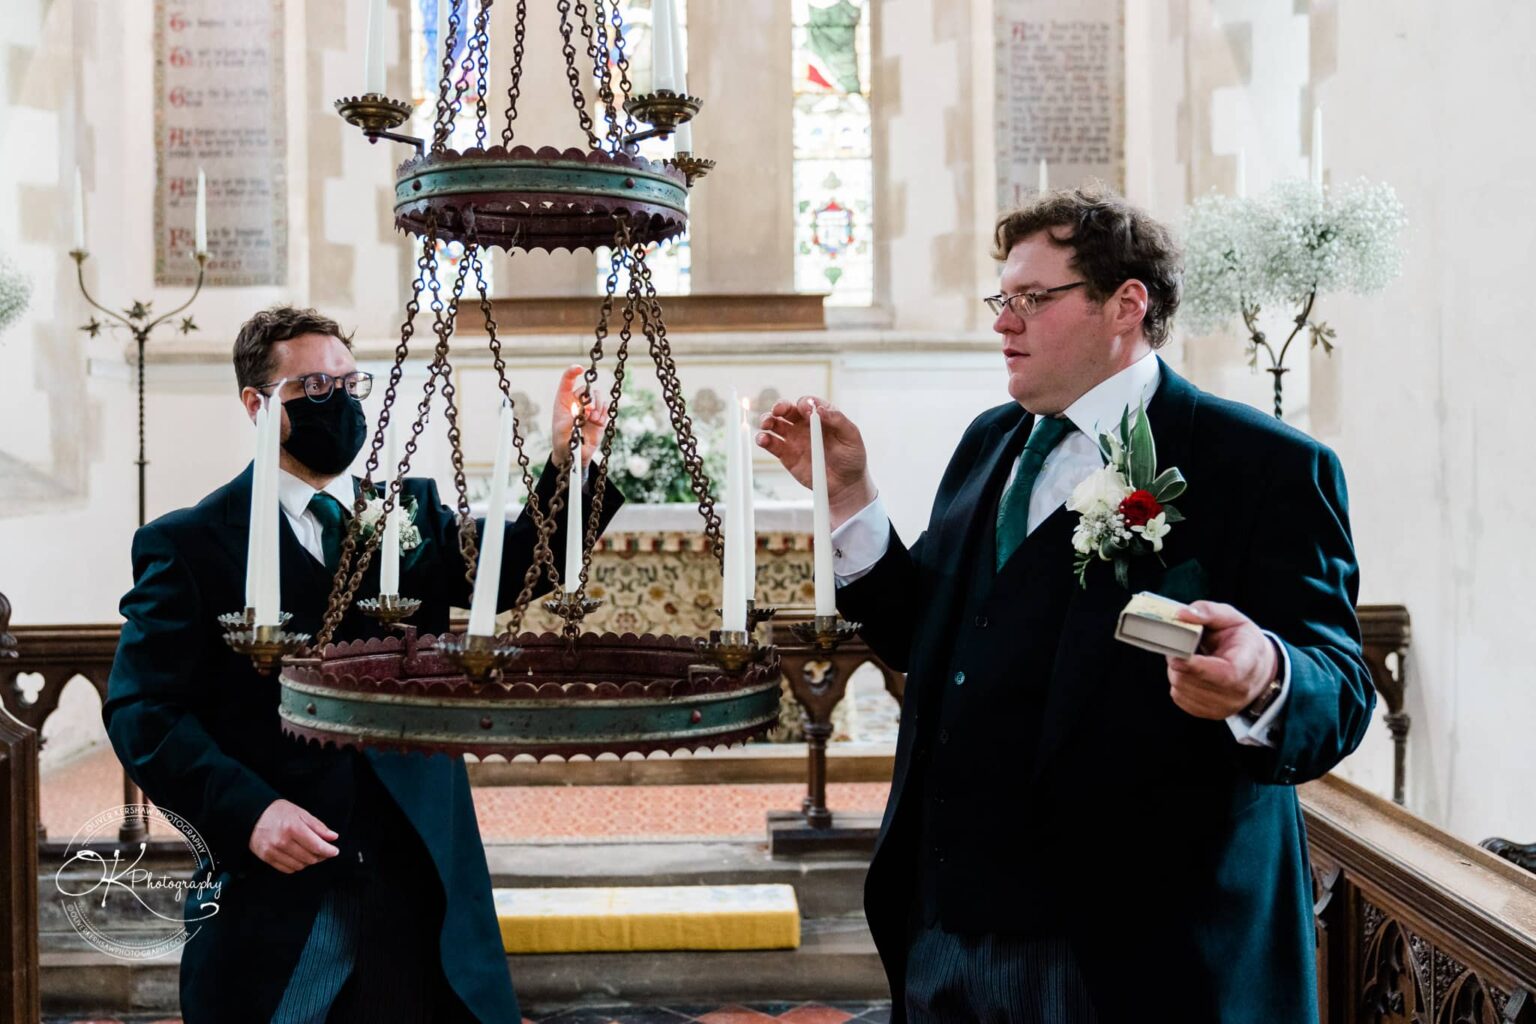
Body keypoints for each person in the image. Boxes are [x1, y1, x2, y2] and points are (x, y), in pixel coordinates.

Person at [757, 188, 1374, 1024]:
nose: (1004, 323)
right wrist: (851, 498)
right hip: (946, 931)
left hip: (1133, 954)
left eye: (1032, 300)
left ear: (1126, 305)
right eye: (1000, 299)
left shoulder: (1263, 465)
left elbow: (1338, 685)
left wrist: (1263, 678)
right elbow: (931, 640)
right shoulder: (990, 440)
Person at [104, 305, 622, 1023]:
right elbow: (142, 712)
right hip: (286, 868)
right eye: (316, 388)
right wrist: (247, 812)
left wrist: (572, 463)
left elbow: (516, 571)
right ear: (258, 404)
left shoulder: (410, 513)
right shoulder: (190, 545)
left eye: (351, 384)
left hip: (418, 858)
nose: (341, 404)